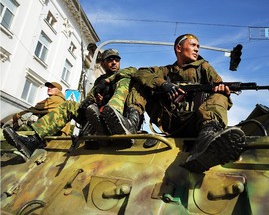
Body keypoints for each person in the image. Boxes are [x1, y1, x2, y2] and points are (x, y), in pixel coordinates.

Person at [99, 33, 246, 172]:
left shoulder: (204, 67)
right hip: (170, 120)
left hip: (196, 121)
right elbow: (141, 72)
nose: (196, 49)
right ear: (179, 48)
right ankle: (131, 122)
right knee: (141, 84)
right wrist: (164, 85)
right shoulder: (166, 71)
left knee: (220, 95)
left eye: (198, 47)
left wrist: (223, 91)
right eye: (193, 45)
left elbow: (219, 89)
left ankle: (206, 140)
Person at [3, 48, 141, 160]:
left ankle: (114, 112)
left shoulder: (125, 73)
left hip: (119, 121)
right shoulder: (99, 80)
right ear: (103, 64)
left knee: (124, 81)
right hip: (98, 118)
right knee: (69, 105)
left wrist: (108, 82)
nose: (114, 63)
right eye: (110, 60)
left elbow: (133, 71)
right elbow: (89, 101)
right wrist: (94, 100)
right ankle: (33, 140)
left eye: (116, 60)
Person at [4, 81, 70, 136]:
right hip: (58, 129)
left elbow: (37, 108)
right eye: (48, 87)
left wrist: (15, 117)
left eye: (52, 87)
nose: (49, 88)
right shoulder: (61, 100)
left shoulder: (56, 99)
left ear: (58, 90)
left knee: (29, 117)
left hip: (54, 130)